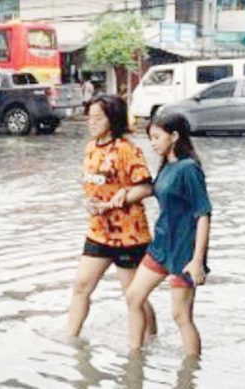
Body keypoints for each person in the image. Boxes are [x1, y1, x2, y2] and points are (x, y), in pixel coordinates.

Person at [118, 113, 212, 356]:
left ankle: (190, 373)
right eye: (151, 138)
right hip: (160, 247)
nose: (153, 143)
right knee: (133, 297)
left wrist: (197, 260)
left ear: (175, 136)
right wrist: (123, 195)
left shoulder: (189, 169)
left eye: (157, 137)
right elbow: (155, 190)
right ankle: (135, 355)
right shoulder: (167, 167)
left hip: (184, 252)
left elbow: (203, 214)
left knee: (181, 316)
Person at [65, 95, 157, 340]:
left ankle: (150, 339)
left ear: (112, 119)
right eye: (90, 117)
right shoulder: (90, 148)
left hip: (129, 235)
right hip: (98, 231)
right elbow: (94, 184)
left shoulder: (127, 150)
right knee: (81, 286)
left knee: (133, 296)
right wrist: (91, 203)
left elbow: (147, 188)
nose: (91, 122)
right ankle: (70, 339)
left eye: (98, 118)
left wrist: (124, 196)